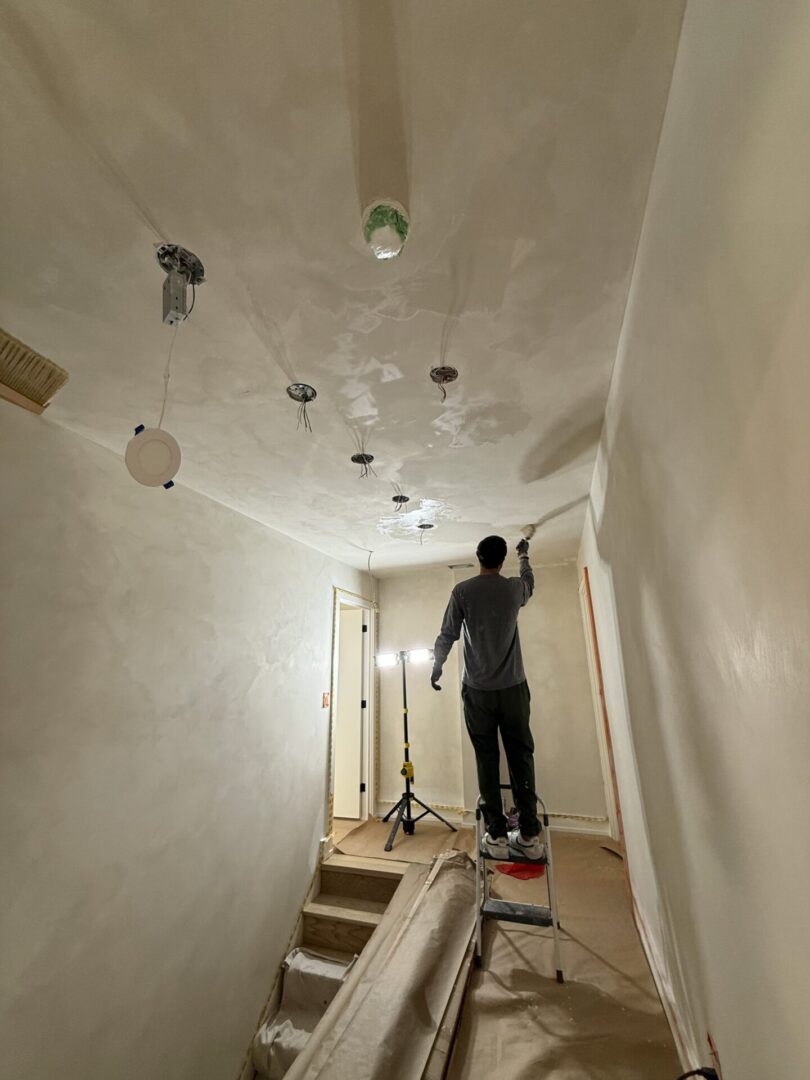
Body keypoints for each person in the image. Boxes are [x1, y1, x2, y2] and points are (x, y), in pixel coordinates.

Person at [431, 534, 544, 860]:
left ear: (478, 556)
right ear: (502, 559)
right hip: (513, 690)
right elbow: (529, 583)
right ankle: (528, 835)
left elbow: (448, 633)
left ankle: (496, 834)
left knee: (487, 758)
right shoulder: (512, 589)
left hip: (478, 692)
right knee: (521, 757)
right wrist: (524, 557)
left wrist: (437, 666)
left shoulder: (463, 591)